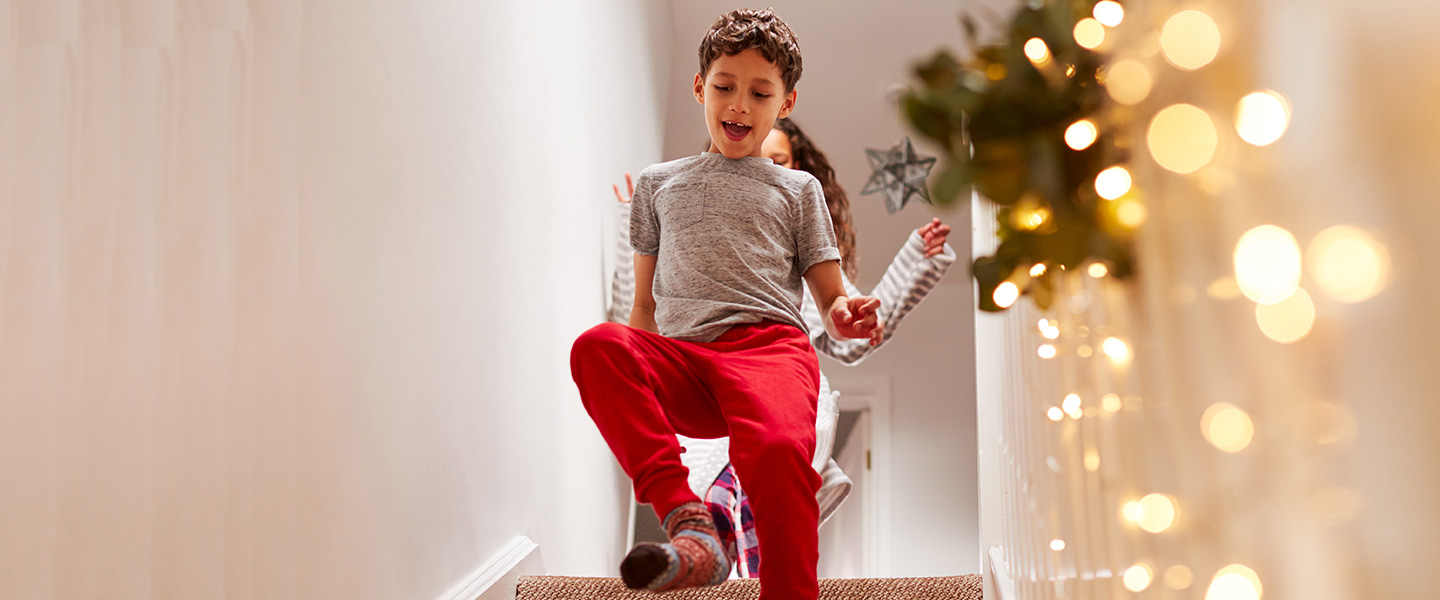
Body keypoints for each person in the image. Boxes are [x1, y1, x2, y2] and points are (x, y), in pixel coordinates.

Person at [570, 9, 879, 600]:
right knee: (597, 345)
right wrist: (640, 374)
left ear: (785, 102)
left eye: (760, 92)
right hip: (686, 360)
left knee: (779, 451)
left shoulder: (798, 189)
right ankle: (692, 528)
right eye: (724, 87)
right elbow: (641, 308)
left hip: (768, 355)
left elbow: (831, 294)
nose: (739, 104)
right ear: (698, 88)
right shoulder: (658, 185)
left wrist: (846, 313)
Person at [607, 118, 955, 578]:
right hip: (704, 397)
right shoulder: (685, 226)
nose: (761, 169)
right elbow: (634, 315)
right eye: (754, 158)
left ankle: (751, 563)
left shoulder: (802, 255)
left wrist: (914, 259)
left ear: (793, 171)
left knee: (765, 482)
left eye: (778, 162)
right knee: (715, 488)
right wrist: (637, 224)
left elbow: (851, 327)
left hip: (776, 396)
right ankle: (709, 549)